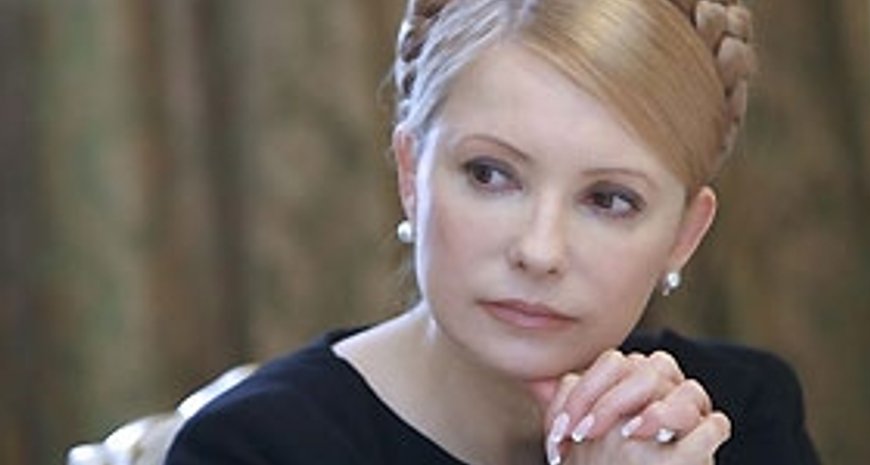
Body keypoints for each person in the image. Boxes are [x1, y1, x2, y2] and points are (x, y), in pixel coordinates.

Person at [165, 0, 820, 464]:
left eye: (609, 199)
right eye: (490, 174)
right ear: (411, 175)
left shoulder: (737, 417)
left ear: (684, 234)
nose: (539, 251)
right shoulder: (254, 446)